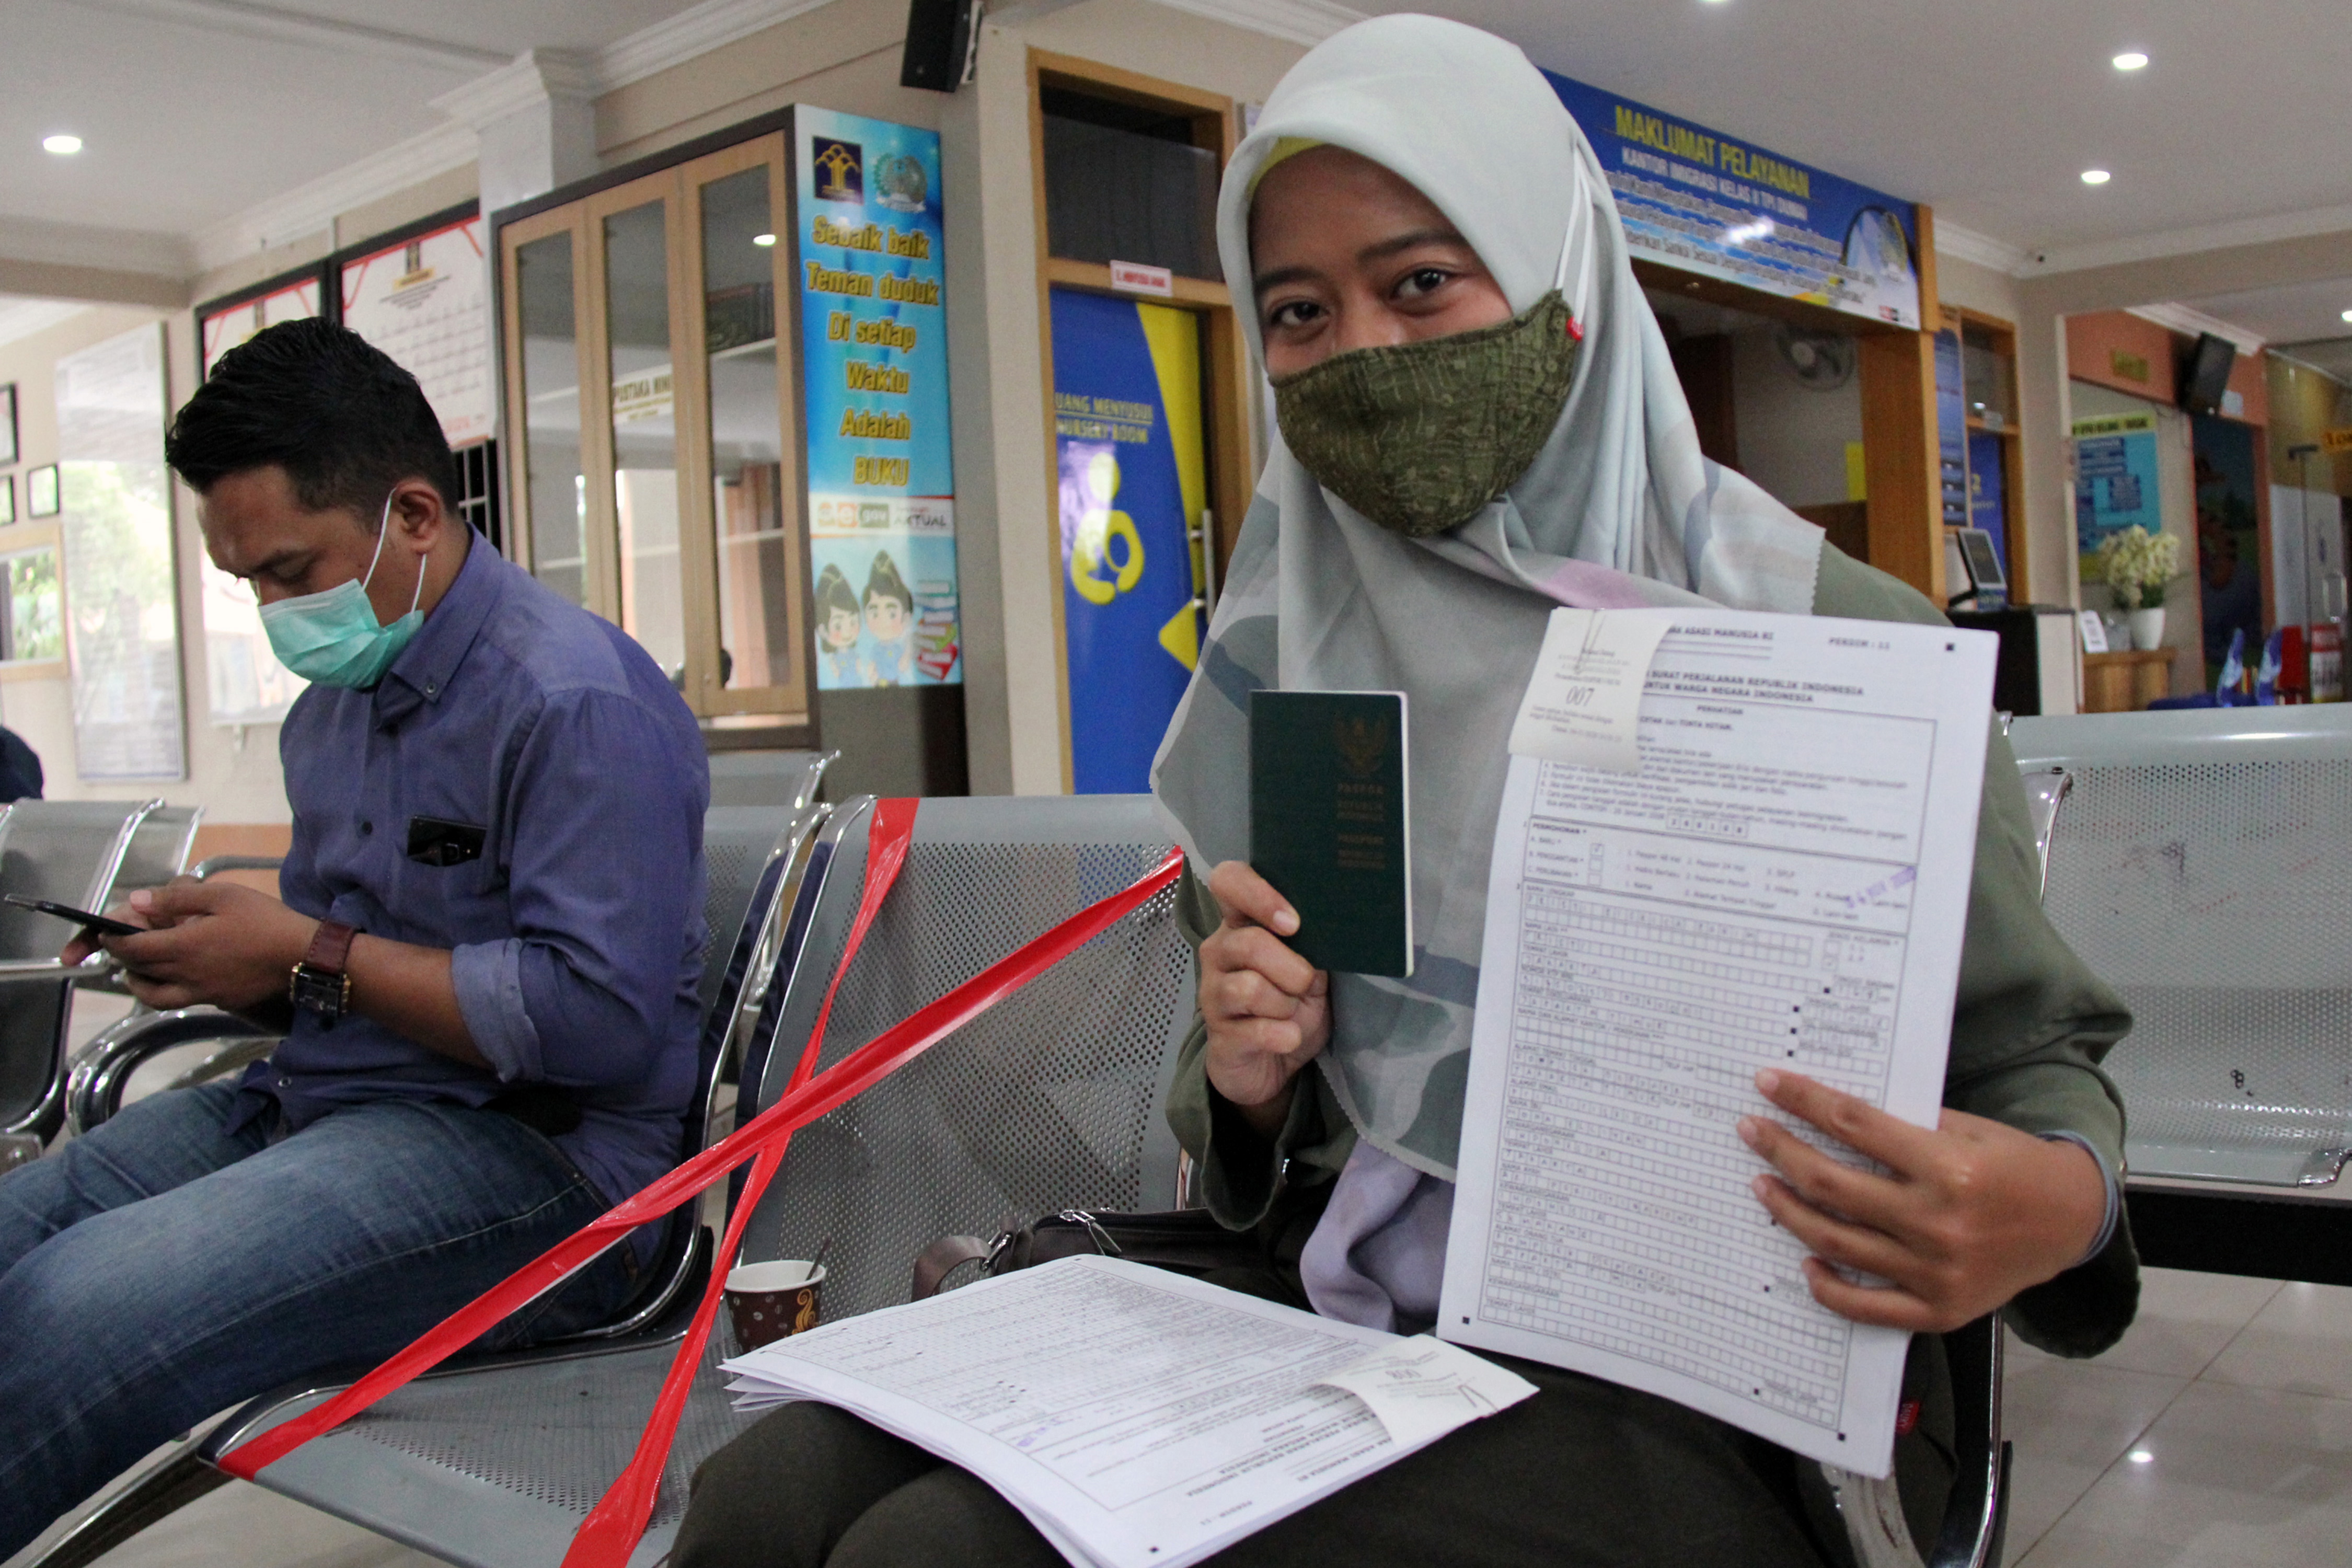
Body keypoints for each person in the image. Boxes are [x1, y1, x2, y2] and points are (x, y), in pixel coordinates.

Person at [668, 18, 2134, 1566]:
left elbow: (2042, 1067)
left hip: (1675, 1384)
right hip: (1327, 1312)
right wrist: (1245, 1068)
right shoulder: (1298, 650)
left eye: (1422, 280)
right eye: (1297, 309)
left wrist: (2046, 1203)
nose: (1359, 347)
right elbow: (1252, 1123)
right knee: (774, 1495)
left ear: (1561, 285)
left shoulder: (1827, 645)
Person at [0, 319, 711, 1557]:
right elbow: (341, 975)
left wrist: (300, 953)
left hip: (545, 1164)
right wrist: (218, 957)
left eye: (288, 570)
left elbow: (594, 1026)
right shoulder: (332, 715)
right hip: (327, 1101)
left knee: (73, 1308)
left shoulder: (574, 701)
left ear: (417, 517)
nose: (273, 612)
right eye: (247, 585)